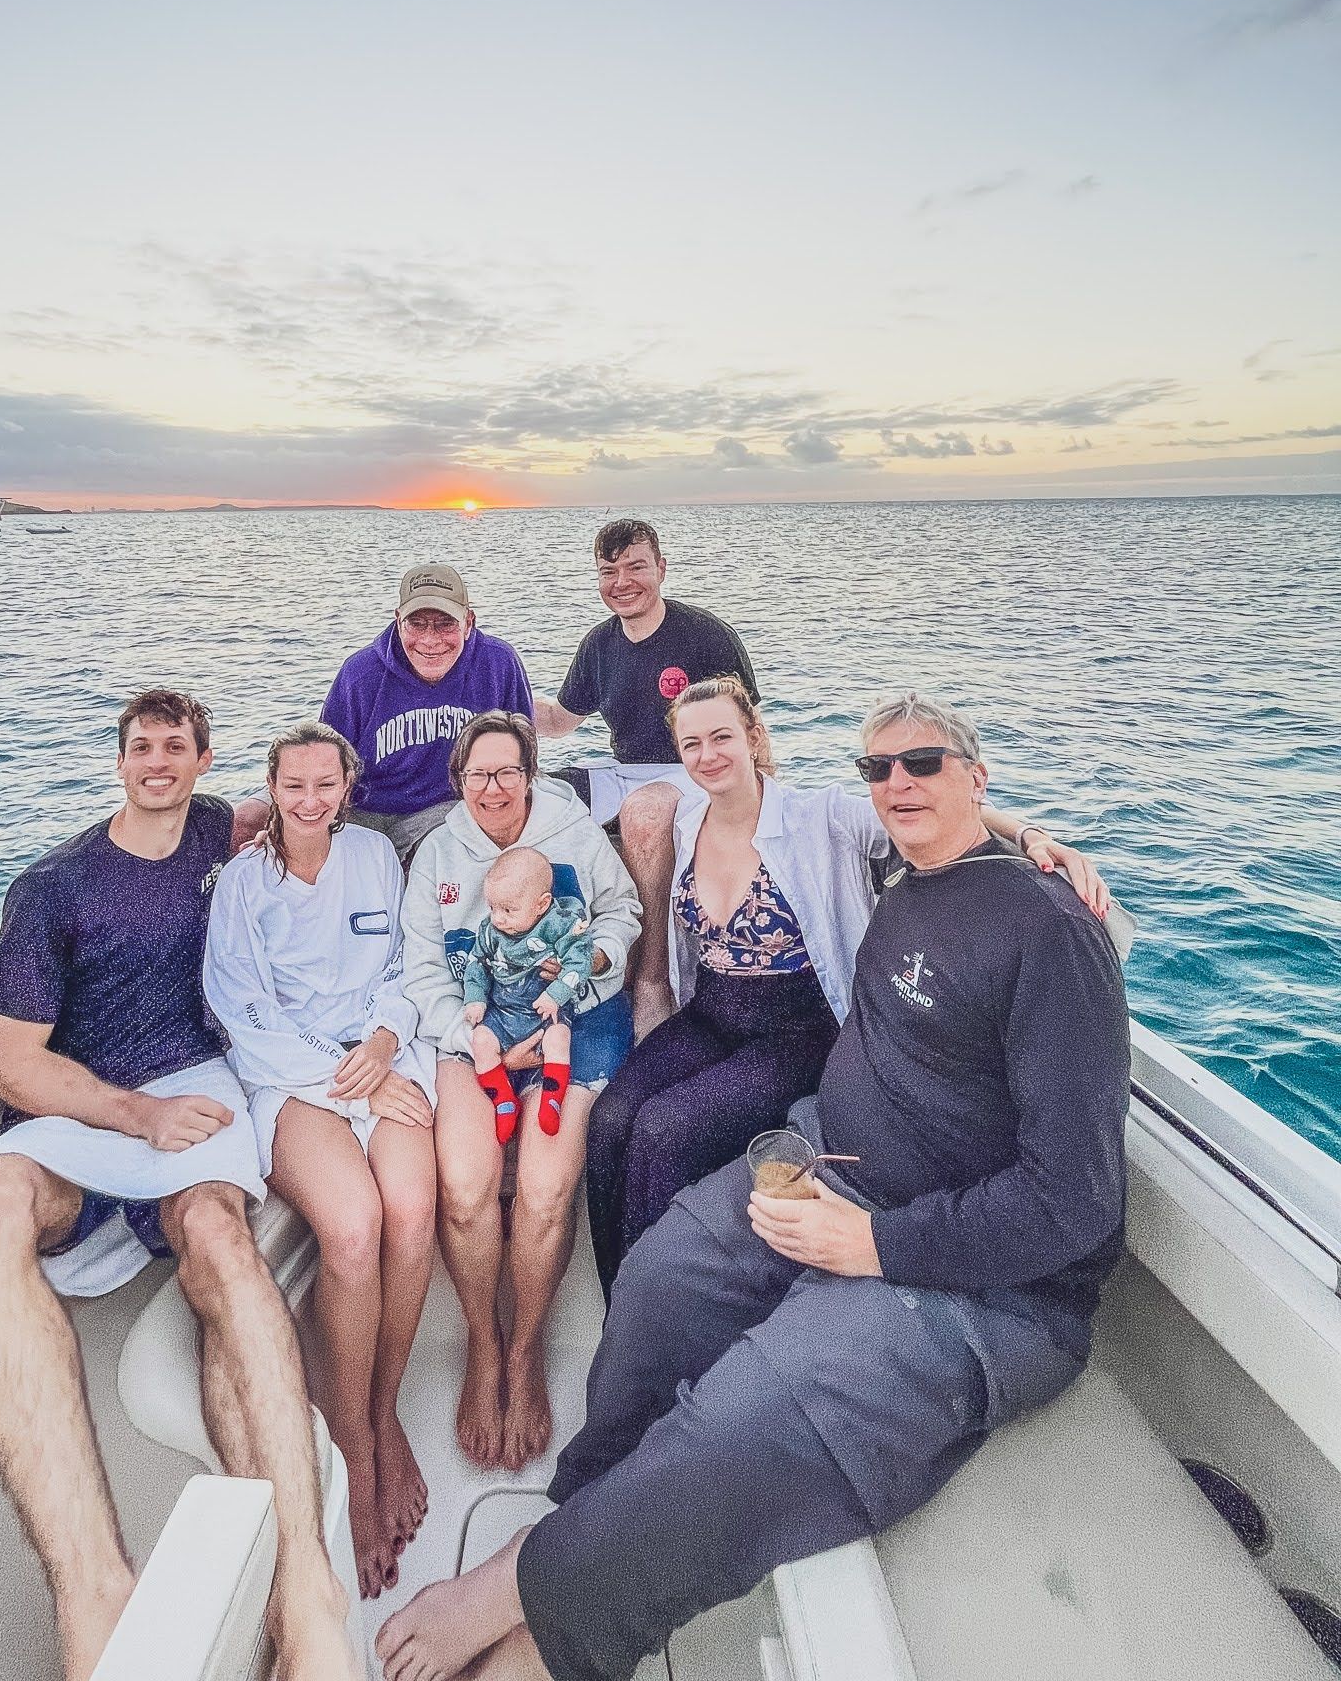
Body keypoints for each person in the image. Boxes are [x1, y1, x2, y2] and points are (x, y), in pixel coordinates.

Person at [377, 689, 1130, 1681]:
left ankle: (539, 1598)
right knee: (658, 1281)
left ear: (976, 777)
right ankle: (592, 1509)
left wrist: (874, 1245)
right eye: (879, 768)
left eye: (925, 764)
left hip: (976, 1282)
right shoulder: (908, 877)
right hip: (835, 1163)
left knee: (750, 1410)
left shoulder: (1047, 930)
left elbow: (1075, 1203)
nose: (898, 783)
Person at [0, 689, 355, 1681]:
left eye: (177, 745)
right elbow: (15, 1064)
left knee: (218, 1233)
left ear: (207, 761)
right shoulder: (55, 887)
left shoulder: (226, 832)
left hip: (198, 1082)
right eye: (141, 746)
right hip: (87, 1104)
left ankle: (305, 1590)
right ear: (120, 761)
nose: (158, 760)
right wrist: (134, 1115)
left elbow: (305, 817)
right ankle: (96, 1591)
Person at [585, 674, 1110, 1295]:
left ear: (754, 737)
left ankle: (659, 1300)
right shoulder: (689, 820)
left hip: (798, 1025)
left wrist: (1029, 836)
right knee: (612, 1117)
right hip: (714, 1009)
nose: (708, 756)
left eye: (722, 737)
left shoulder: (820, 816)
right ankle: (621, 1293)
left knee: (664, 1133)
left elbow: (922, 805)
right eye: (692, 743)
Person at [203, 720, 438, 1603]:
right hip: (294, 1077)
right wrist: (349, 1085)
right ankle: (351, 1434)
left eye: (324, 785)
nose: (309, 801)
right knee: (353, 1226)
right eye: (293, 786)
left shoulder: (376, 859)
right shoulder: (242, 885)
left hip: (381, 1056)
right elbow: (244, 1011)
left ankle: (381, 1414)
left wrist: (382, 1045)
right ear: (274, 787)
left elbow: (405, 967)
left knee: (414, 1211)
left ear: (347, 788)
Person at [403, 712, 640, 1474]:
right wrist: (481, 1039)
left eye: (508, 772)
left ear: (531, 775)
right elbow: (423, 969)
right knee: (467, 1186)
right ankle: (483, 1341)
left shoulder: (573, 831)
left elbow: (622, 913)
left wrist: (589, 966)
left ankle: (527, 1348)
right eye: (479, 775)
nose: (494, 788)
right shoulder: (438, 854)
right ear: (458, 782)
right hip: (476, 1034)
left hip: (573, 1021)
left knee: (542, 1189)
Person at [533, 518, 759, 1035]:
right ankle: (541, 961)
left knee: (644, 812)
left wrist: (756, 797)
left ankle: (654, 977)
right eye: (609, 571)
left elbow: (750, 729)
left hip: (695, 773)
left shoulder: (706, 636)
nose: (623, 581)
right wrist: (499, 694)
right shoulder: (599, 645)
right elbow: (562, 722)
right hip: (626, 770)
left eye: (636, 566)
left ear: (661, 568)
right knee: (537, 794)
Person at [319, 563, 535, 865]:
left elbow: (524, 757)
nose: (430, 640)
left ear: (469, 622)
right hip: (363, 811)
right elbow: (322, 765)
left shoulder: (499, 664)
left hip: (445, 809)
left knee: (450, 847)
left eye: (445, 624)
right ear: (398, 621)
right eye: (416, 623)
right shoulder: (359, 674)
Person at [464, 847, 597, 1143]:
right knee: (481, 1040)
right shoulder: (490, 930)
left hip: (543, 1008)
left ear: (542, 904)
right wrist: (475, 998)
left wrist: (556, 994)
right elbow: (476, 963)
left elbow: (580, 960)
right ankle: (503, 1101)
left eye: (508, 910)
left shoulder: (559, 925)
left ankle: (552, 1097)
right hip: (503, 1010)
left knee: (558, 1037)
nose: (498, 918)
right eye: (493, 908)